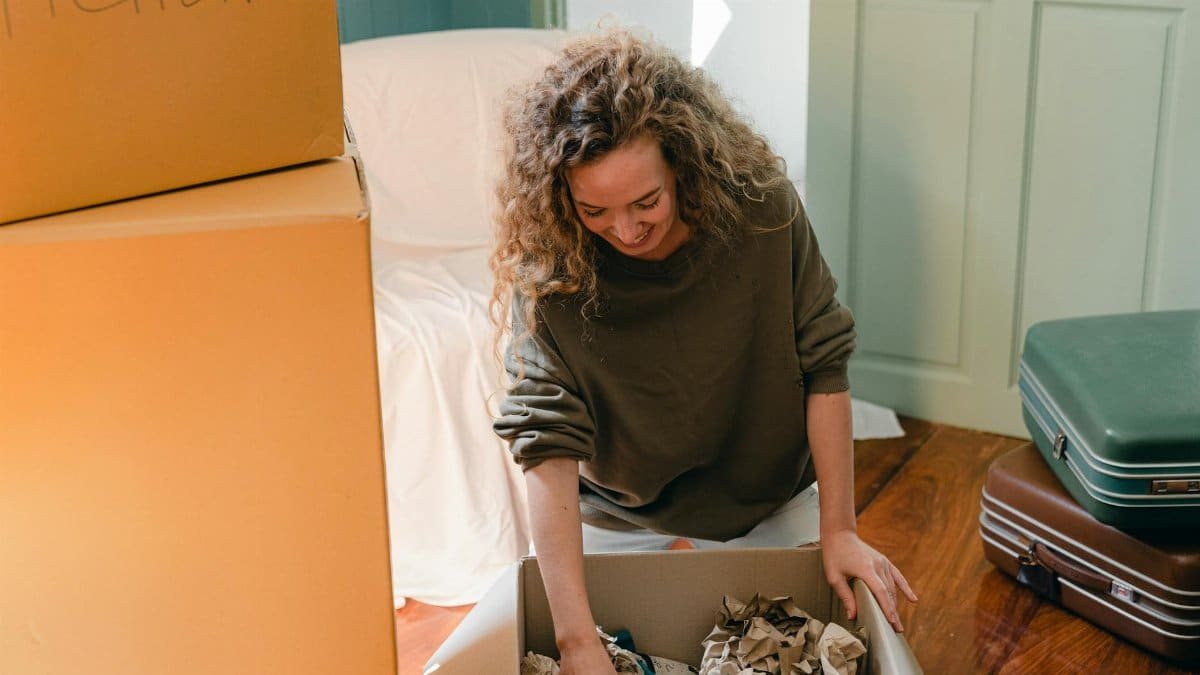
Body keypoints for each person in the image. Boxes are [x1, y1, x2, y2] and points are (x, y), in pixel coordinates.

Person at [489, 29, 917, 675]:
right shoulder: (552, 268)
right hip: (618, 511)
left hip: (769, 493)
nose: (626, 230)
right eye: (594, 210)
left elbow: (823, 362)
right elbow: (545, 440)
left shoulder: (762, 209)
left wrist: (840, 529)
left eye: (646, 201)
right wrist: (577, 639)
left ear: (683, 166)